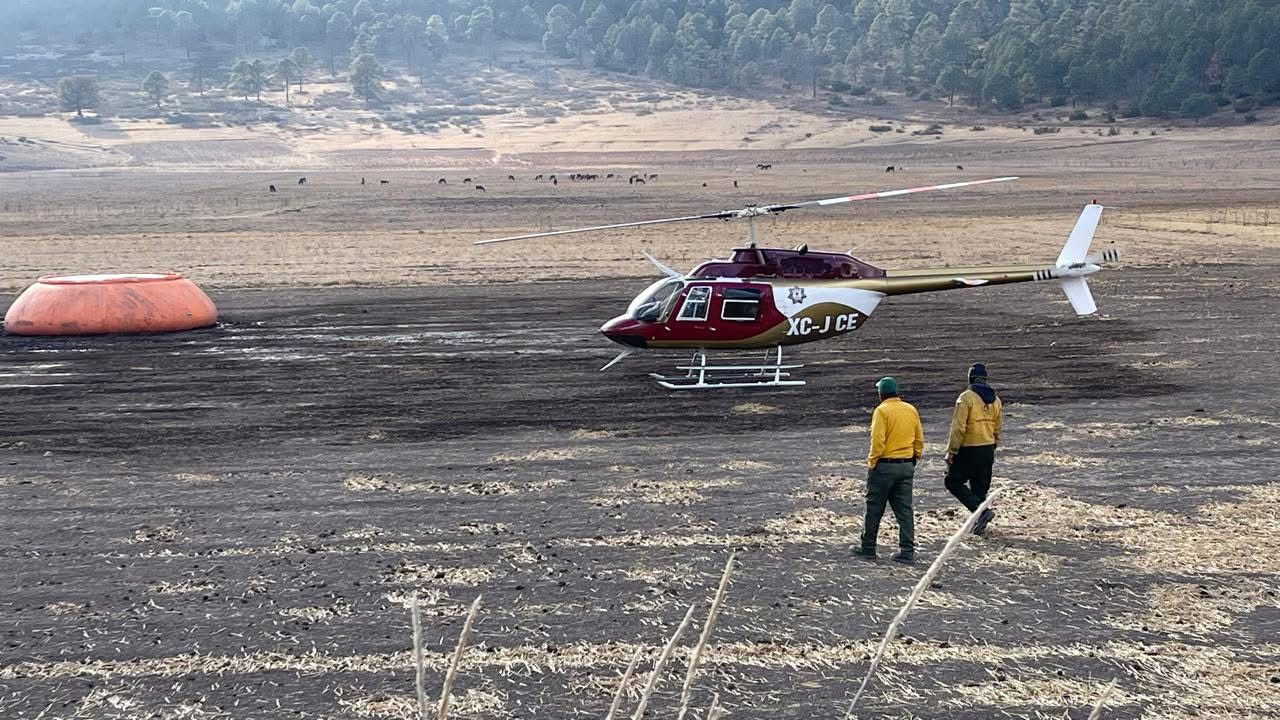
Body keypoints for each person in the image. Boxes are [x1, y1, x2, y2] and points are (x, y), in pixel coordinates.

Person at [856, 376, 924, 564]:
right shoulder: (910, 410)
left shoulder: (882, 411)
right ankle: (907, 550)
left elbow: (878, 441)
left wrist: (872, 463)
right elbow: (919, 438)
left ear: (881, 394)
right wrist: (914, 457)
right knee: (904, 510)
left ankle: (868, 547)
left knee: (874, 507)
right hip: (906, 465)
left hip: (884, 466)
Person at [944, 362, 1003, 534]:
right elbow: (998, 427)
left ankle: (981, 513)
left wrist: (952, 450)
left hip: (969, 448)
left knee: (952, 481)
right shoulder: (996, 400)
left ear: (970, 377)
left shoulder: (966, 398)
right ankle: (979, 524)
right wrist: (992, 446)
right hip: (987, 448)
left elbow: (958, 427)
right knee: (979, 488)